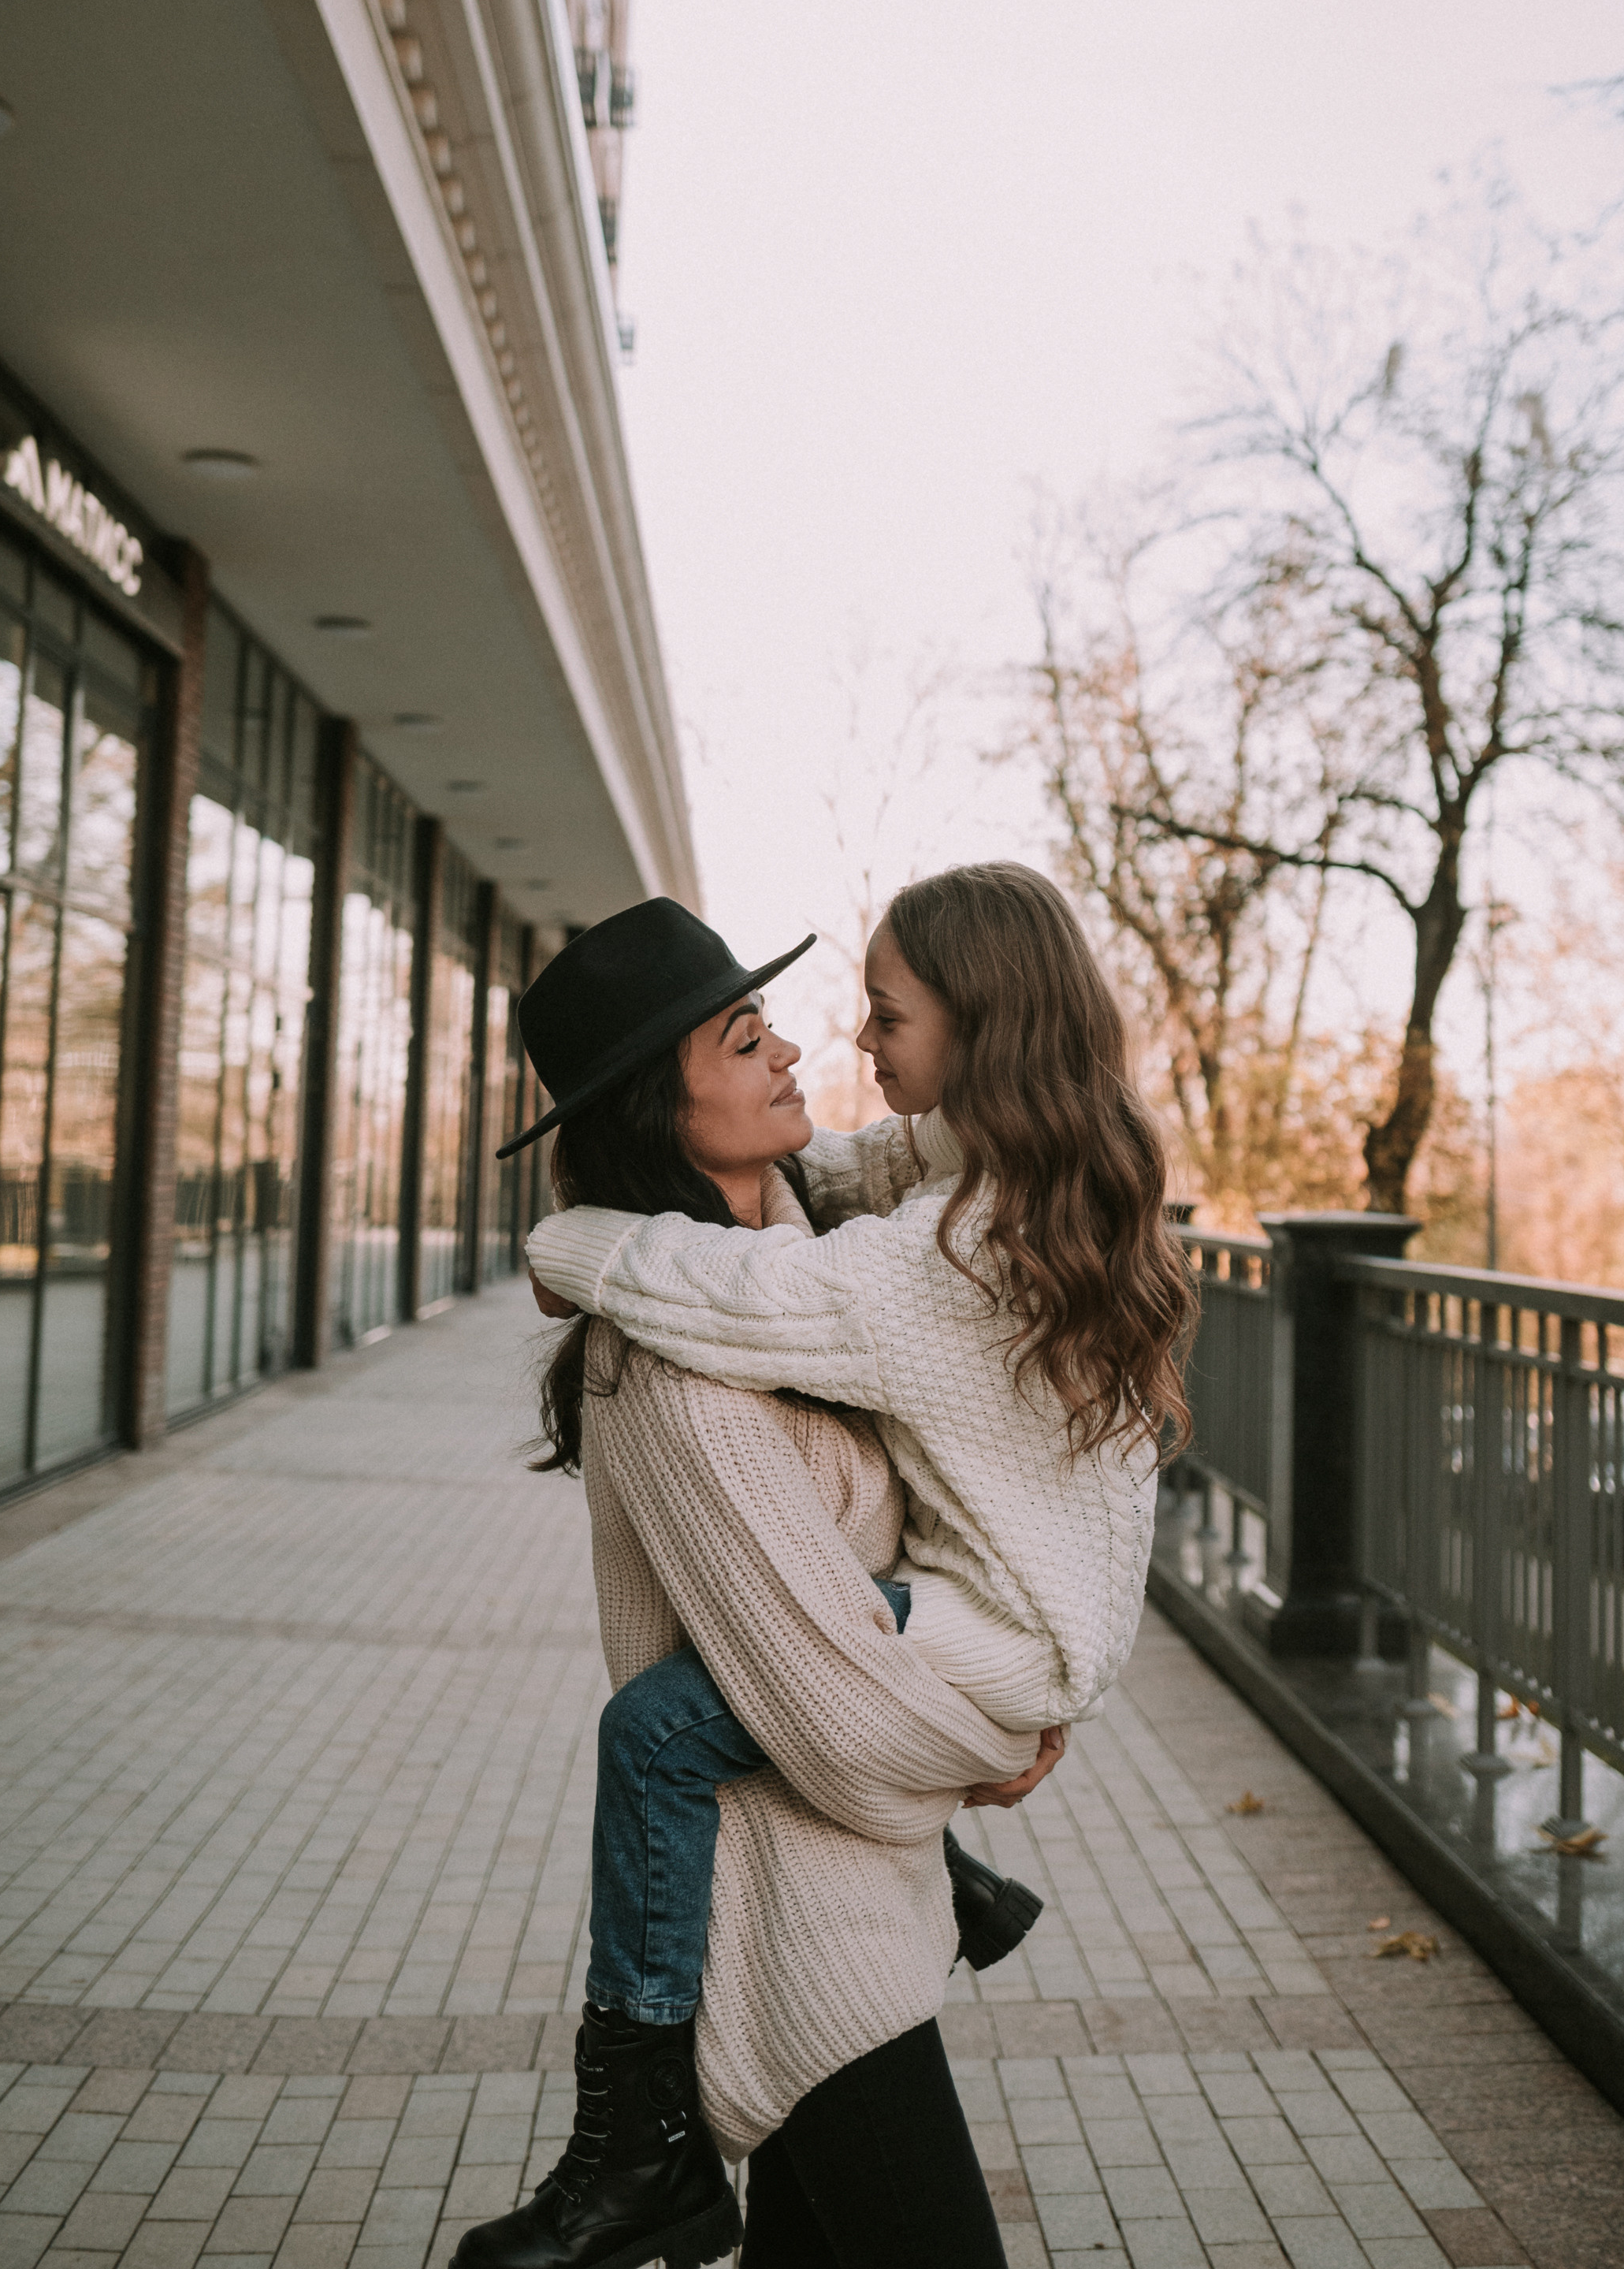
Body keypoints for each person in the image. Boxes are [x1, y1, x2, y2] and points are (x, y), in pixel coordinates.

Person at [520, 864, 1191, 2261]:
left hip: (956, 1696)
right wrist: (971, 1744)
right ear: (665, 1096)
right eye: (747, 1035)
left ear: (982, 1035)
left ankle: (635, 2124)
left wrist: (569, 1233)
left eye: (881, 1015)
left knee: (653, 1734)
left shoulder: (926, 1258)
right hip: (812, 1920)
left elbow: (758, 1280)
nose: (829, 1043)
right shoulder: (1008, 1188)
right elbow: (822, 1689)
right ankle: (635, 2122)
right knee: (658, 1730)